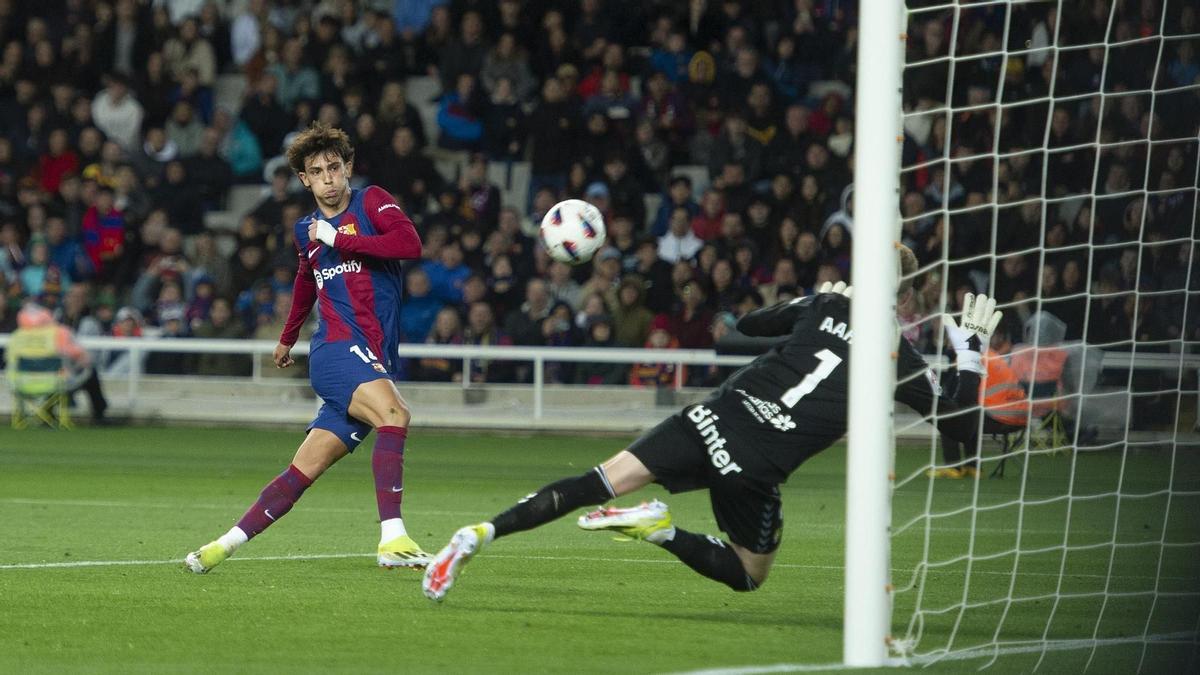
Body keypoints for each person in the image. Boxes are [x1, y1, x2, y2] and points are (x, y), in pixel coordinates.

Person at [421, 246, 1002, 601]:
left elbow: (743, 326)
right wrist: (971, 355)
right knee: (748, 576)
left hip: (710, 417)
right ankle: (662, 531)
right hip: (751, 466)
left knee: (594, 482)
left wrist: (813, 300)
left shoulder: (823, 306)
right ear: (905, 292)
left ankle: (478, 534)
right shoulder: (898, 356)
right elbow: (963, 426)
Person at [185, 123, 428, 574]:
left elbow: (409, 243)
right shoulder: (305, 231)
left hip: (372, 355)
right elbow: (305, 283)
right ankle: (393, 538)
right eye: (317, 171)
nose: (329, 178)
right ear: (304, 180)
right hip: (336, 350)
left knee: (305, 468)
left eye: (335, 167)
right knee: (396, 414)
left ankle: (221, 546)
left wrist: (340, 239)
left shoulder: (371, 201)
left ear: (348, 168)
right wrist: (288, 334)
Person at [9, 303, 109, 425]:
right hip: (53, 384)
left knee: (57, 375)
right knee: (90, 373)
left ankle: (47, 414)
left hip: (22, 385)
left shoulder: (17, 336)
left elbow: (10, 361)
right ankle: (99, 415)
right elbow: (81, 356)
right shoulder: (58, 332)